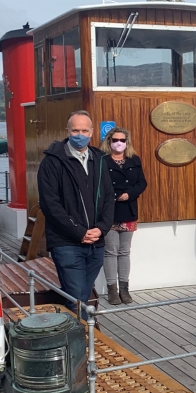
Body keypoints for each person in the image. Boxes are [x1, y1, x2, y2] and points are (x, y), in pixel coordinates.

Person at [38, 110, 116, 318]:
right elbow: (50, 204)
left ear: (91, 132)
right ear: (67, 131)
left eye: (84, 130)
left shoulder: (100, 160)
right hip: (66, 243)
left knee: (83, 295)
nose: (79, 134)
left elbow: (109, 198)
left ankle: (77, 337)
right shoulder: (53, 161)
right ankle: (81, 344)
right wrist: (79, 232)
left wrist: (101, 229)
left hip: (96, 242)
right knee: (76, 298)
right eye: (75, 130)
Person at [100, 127, 147, 305]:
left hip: (128, 209)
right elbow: (99, 184)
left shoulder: (134, 159)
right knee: (110, 251)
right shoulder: (102, 160)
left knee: (124, 251)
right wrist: (113, 196)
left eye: (122, 140)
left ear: (127, 142)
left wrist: (130, 194)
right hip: (109, 211)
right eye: (115, 140)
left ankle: (124, 289)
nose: (119, 143)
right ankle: (112, 290)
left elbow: (142, 182)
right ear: (109, 141)